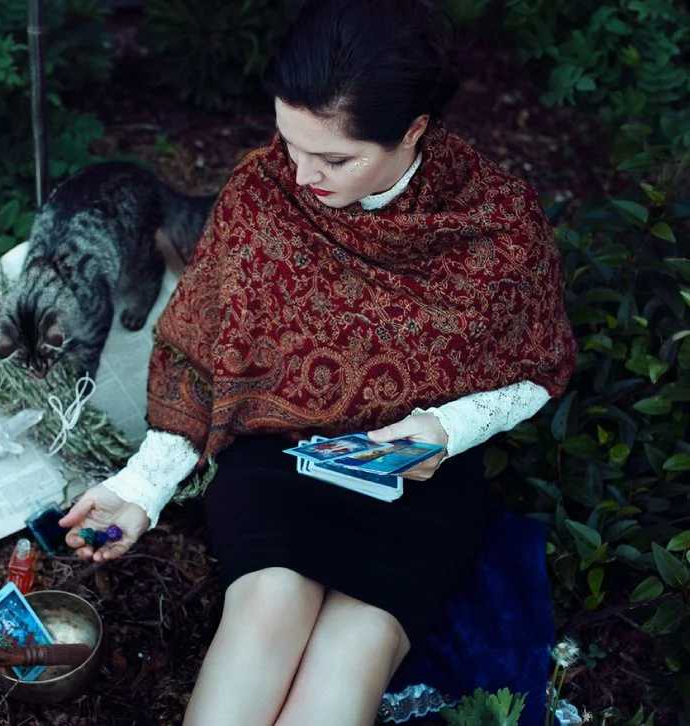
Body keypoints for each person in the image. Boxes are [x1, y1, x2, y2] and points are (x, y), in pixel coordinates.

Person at [59, 0, 577, 723]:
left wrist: (444, 429)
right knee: (265, 616)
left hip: (417, 483)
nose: (300, 176)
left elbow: (534, 367)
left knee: (347, 662)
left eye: (334, 159)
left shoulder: (494, 221)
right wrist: (142, 487)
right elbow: (204, 355)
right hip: (280, 457)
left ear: (414, 131)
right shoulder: (261, 193)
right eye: (289, 143)